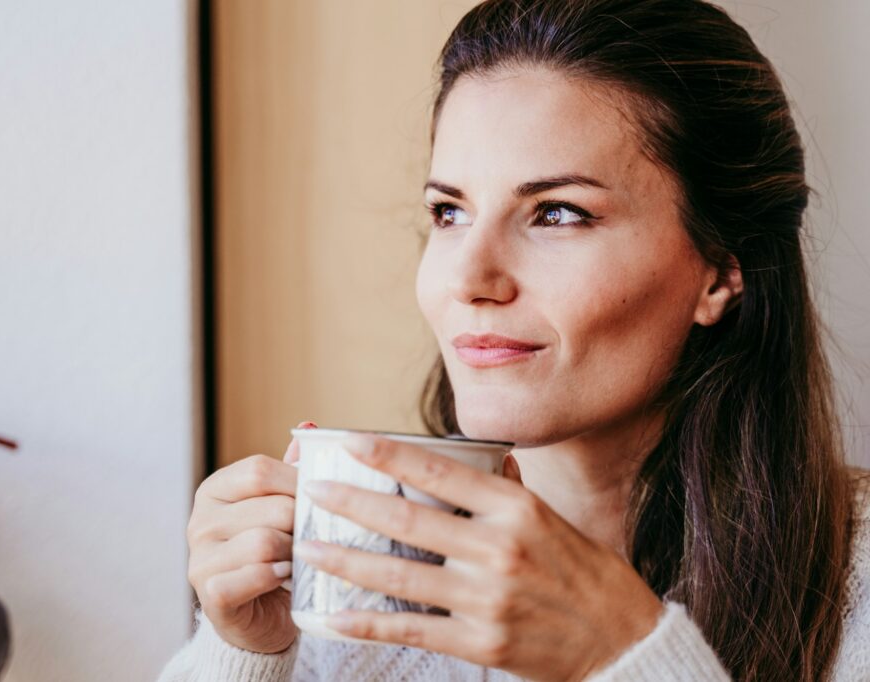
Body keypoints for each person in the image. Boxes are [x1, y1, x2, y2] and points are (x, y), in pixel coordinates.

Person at [158, 0, 870, 679]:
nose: (470, 278)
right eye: (448, 211)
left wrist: (621, 657)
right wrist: (243, 655)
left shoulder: (858, 589)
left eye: (557, 213)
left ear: (719, 270)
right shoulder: (356, 579)